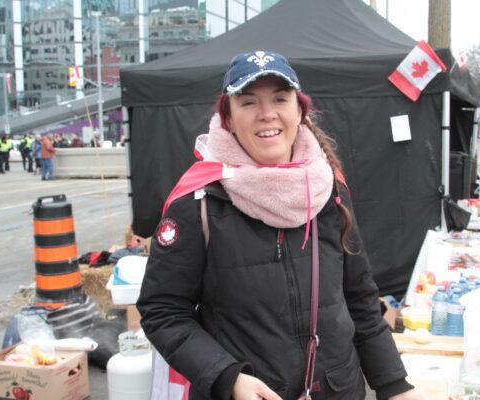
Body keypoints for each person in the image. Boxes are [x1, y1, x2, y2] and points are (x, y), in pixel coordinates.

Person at [137, 51, 422, 400]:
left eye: (280, 98)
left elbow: (359, 298)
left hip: (337, 390)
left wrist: (393, 383)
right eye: (248, 102)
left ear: (299, 111)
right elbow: (162, 311)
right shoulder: (197, 202)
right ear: (228, 118)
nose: (267, 114)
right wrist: (228, 377)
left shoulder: (328, 190)